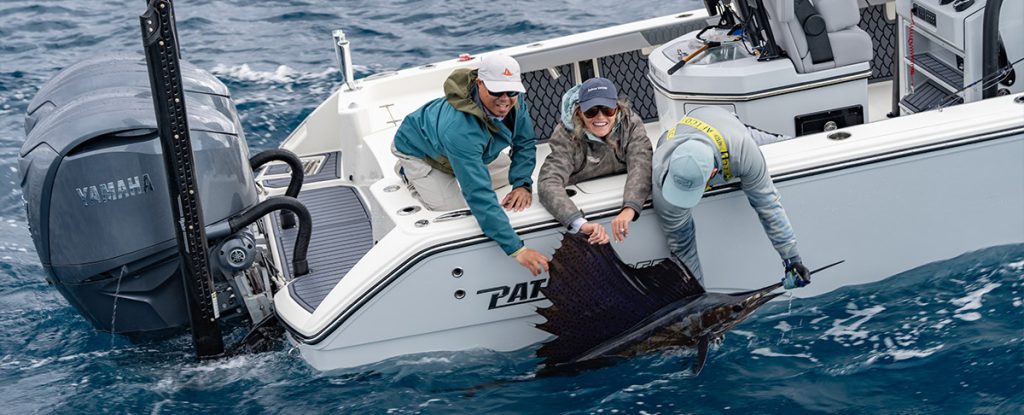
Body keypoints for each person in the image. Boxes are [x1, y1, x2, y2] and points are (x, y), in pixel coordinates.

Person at [392, 54, 549, 276]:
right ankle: (407, 171)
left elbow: (524, 143)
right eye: (496, 91)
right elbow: (478, 194)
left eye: (511, 91)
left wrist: (522, 184)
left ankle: (465, 166)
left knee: (516, 177)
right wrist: (516, 249)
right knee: (453, 213)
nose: (505, 99)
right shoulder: (459, 129)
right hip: (421, 151)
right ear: (479, 83)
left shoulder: (515, 100)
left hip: (472, 153)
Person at [651, 106, 810, 286]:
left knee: (792, 146)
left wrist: (792, 259)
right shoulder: (661, 171)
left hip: (728, 126)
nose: (682, 199)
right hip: (693, 131)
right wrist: (696, 295)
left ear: (713, 174)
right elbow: (681, 245)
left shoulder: (742, 148)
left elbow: (767, 204)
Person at [538, 77, 652, 245]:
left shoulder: (631, 123)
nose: (600, 117)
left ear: (617, 109)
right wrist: (580, 223)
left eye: (607, 110)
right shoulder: (565, 135)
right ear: (579, 112)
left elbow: (642, 165)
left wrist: (630, 208)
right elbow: (547, 183)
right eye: (591, 111)